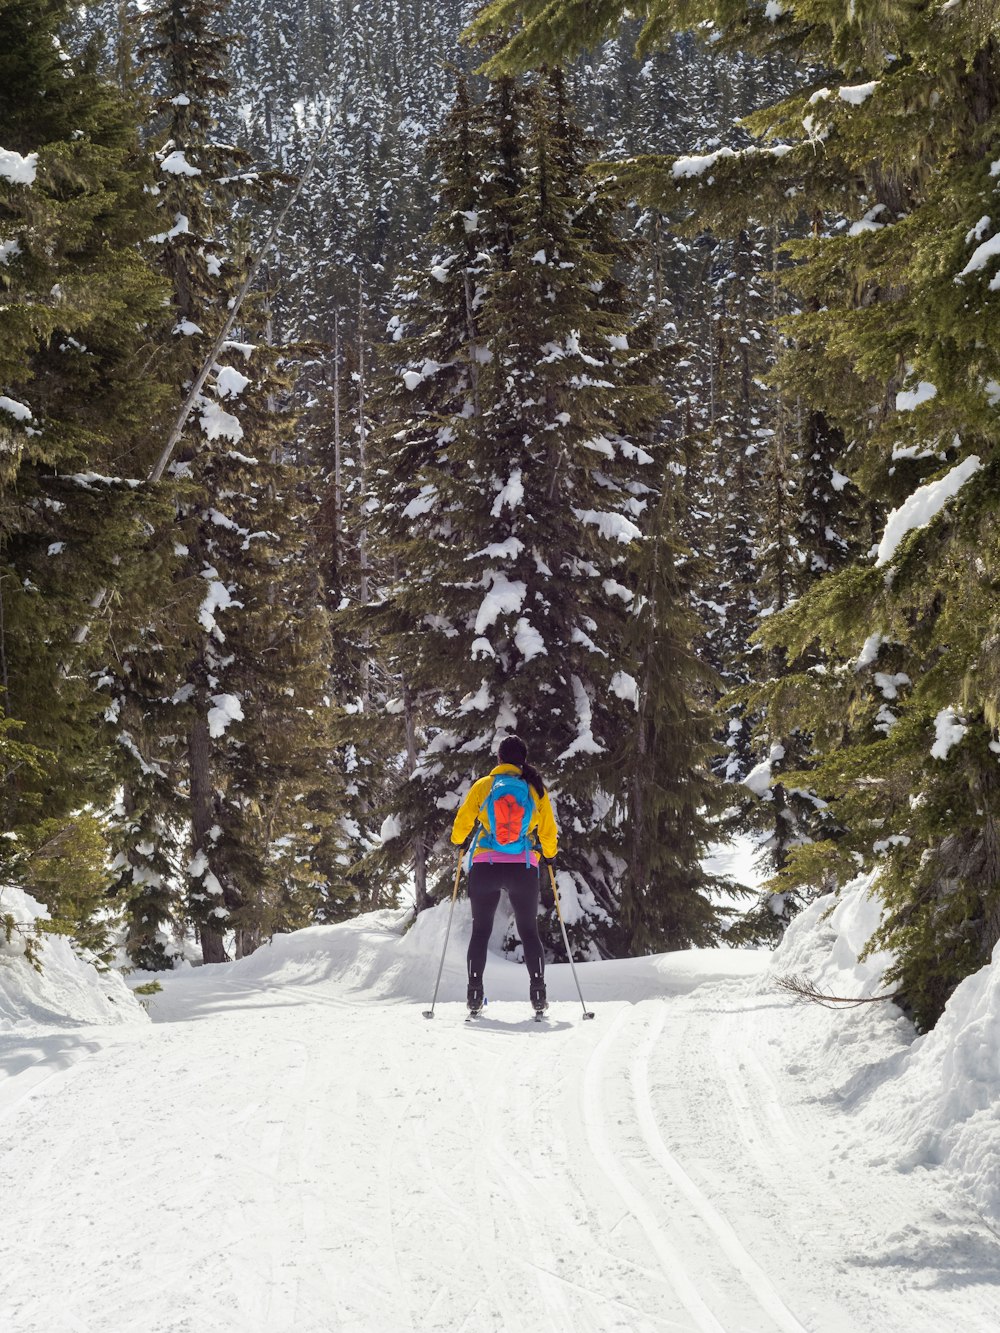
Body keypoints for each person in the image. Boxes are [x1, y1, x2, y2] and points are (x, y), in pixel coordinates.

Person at [450, 734, 559, 1015]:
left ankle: (475, 995)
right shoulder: (534, 789)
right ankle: (538, 994)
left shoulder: (485, 786)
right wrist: (548, 853)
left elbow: (462, 824)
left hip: (485, 865)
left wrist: (459, 840)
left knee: (481, 931)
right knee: (529, 932)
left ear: (499, 759)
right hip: (522, 868)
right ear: (523, 761)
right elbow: (548, 831)